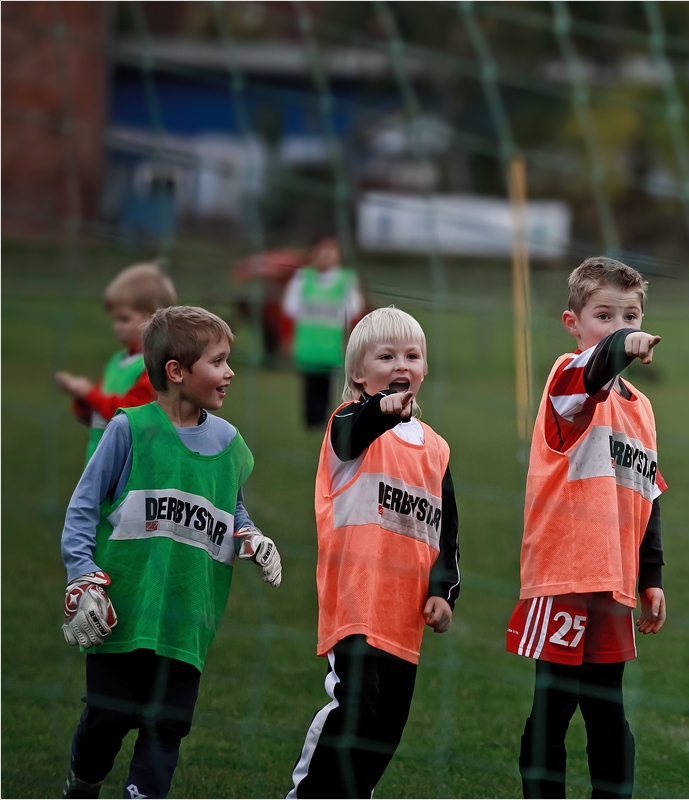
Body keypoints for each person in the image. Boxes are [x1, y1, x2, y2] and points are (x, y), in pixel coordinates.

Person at [59, 306, 283, 799]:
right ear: (177, 371)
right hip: (122, 612)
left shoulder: (229, 443)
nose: (229, 373)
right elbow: (82, 509)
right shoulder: (130, 430)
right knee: (109, 719)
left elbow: (232, 509)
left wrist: (252, 537)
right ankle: (83, 781)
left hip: (189, 618)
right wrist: (81, 574)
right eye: (218, 362)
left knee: (167, 727)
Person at [506, 257, 668, 799]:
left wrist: (652, 578)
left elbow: (648, 494)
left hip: (614, 583)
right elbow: (593, 371)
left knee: (608, 712)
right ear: (573, 322)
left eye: (631, 315)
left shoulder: (641, 408)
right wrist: (619, 347)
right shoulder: (568, 377)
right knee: (555, 706)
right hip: (565, 574)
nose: (621, 326)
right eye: (605, 315)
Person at [287, 306, 460, 798]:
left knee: (386, 729)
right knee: (355, 706)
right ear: (360, 374)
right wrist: (377, 410)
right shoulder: (349, 422)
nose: (401, 364)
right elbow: (350, 435)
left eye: (412, 355)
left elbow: (447, 530)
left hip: (405, 612)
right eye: (386, 356)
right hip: (357, 600)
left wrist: (443, 589)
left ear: (425, 368)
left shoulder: (437, 449)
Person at [55, 262, 177, 461]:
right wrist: (81, 398)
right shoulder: (118, 362)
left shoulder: (154, 368)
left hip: (130, 469)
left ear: (152, 316)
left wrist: (89, 393)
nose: (116, 327)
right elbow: (98, 411)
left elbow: (128, 414)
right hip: (99, 463)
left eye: (124, 319)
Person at [282, 235, 365, 428]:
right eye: (323, 250)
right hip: (308, 346)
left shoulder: (346, 281)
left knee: (329, 386)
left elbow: (354, 313)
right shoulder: (303, 278)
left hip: (332, 346)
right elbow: (290, 310)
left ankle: (328, 421)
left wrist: (350, 341)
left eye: (332, 251)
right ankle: (312, 422)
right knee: (310, 385)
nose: (327, 256)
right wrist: (288, 339)